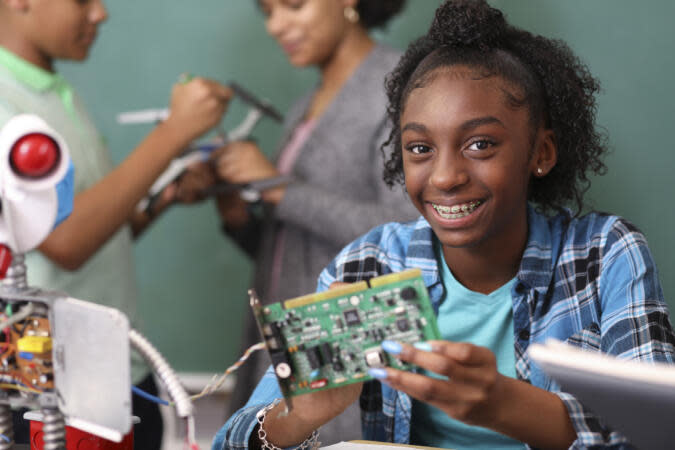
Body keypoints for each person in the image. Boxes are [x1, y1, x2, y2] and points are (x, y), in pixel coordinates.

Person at [213, 0, 675, 448]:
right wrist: (298, 417)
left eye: (479, 144)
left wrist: (500, 402)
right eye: (420, 148)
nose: (445, 177)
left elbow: (658, 432)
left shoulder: (604, 254)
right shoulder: (366, 268)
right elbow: (230, 441)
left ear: (542, 152)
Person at [177, 0, 419, 444]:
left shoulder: (398, 88)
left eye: (292, 5)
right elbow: (298, 250)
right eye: (267, 12)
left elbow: (408, 233)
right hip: (282, 351)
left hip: (345, 351)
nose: (276, 25)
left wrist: (277, 187)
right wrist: (237, 212)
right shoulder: (307, 102)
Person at [0, 0, 231, 448]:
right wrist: (173, 132)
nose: (100, 14)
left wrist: (161, 198)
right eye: (83, 0)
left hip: (118, 374)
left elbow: (93, 234)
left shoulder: (54, 93)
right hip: (53, 395)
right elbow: (65, 240)